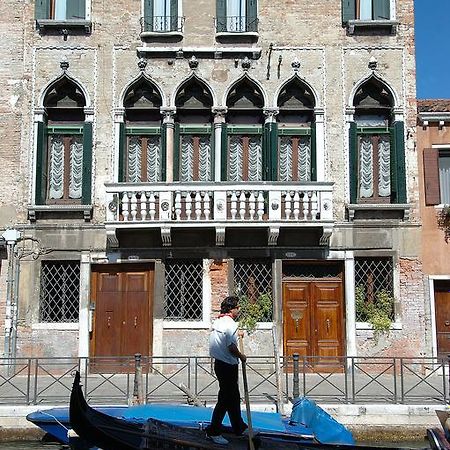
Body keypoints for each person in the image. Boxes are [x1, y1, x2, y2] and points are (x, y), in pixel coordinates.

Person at [206, 296, 248, 445]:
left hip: (219, 364)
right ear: (232, 309)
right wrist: (242, 356)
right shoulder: (230, 324)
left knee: (233, 397)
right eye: (238, 307)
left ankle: (239, 427)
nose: (239, 310)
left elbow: (224, 337)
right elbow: (231, 347)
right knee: (225, 399)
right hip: (228, 365)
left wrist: (237, 334)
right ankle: (213, 431)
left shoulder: (218, 321)